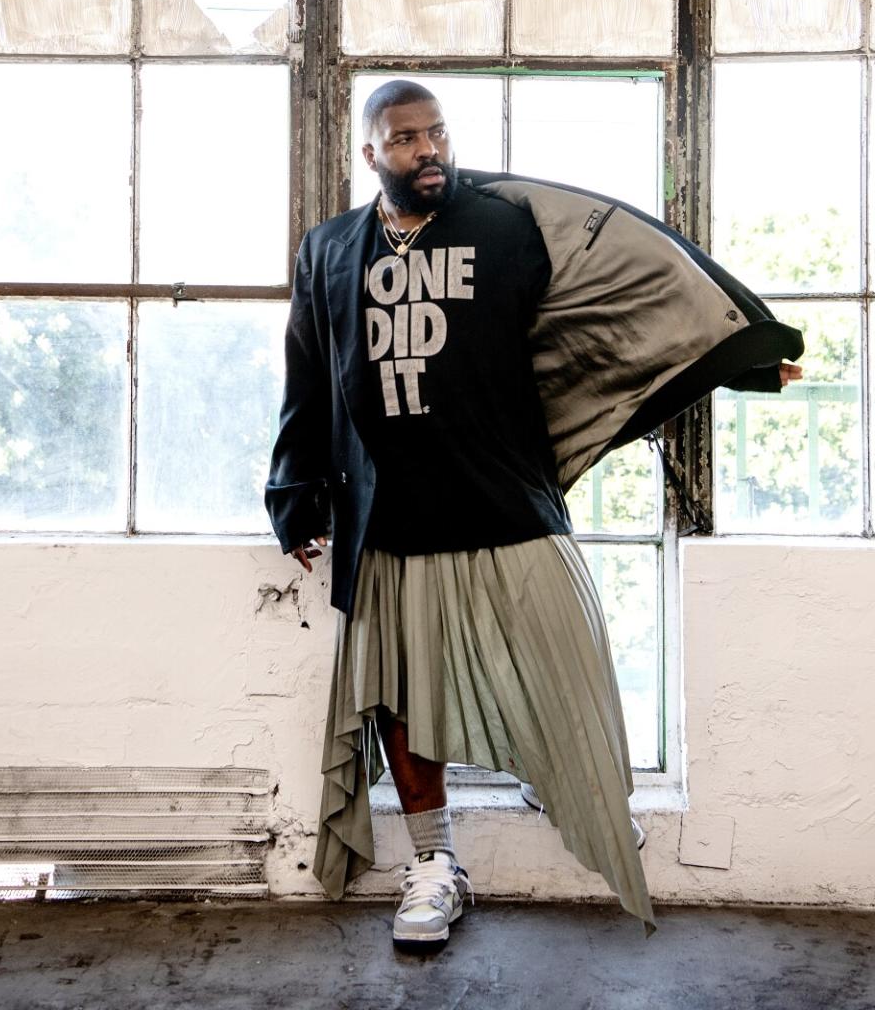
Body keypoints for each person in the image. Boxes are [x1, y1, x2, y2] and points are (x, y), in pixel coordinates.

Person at [265, 78, 803, 948]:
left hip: (504, 492)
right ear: (372, 154)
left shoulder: (507, 225)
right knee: (401, 698)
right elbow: (309, 377)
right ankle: (435, 863)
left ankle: (566, 776)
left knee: (567, 647)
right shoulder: (328, 249)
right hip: (390, 514)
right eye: (405, 139)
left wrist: (734, 359)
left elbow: (616, 315)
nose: (428, 149)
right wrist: (295, 490)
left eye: (436, 133)